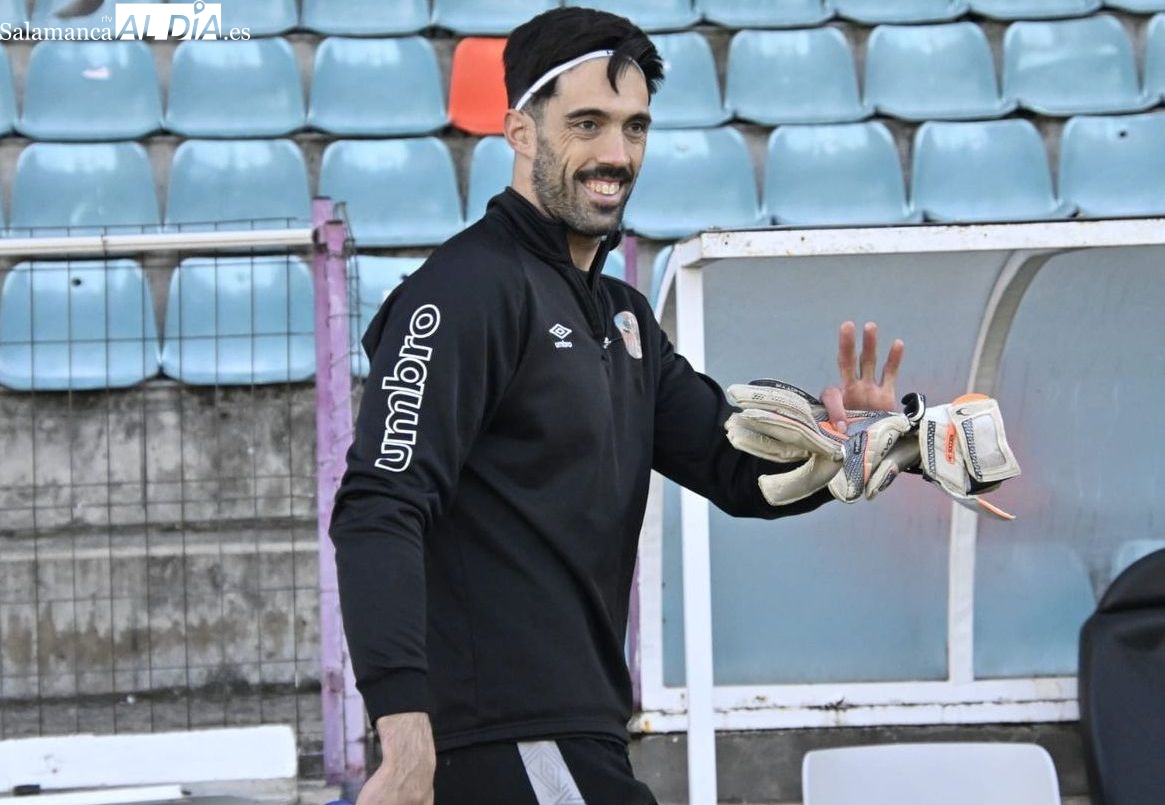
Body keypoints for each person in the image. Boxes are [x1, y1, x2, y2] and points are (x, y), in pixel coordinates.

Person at [329, 7, 904, 804]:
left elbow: (733, 469)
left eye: (634, 127)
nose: (615, 154)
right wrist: (404, 736)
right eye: (587, 123)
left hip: (576, 731)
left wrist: (848, 449)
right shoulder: (463, 293)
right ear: (520, 131)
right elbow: (377, 506)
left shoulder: (623, 315)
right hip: (503, 733)